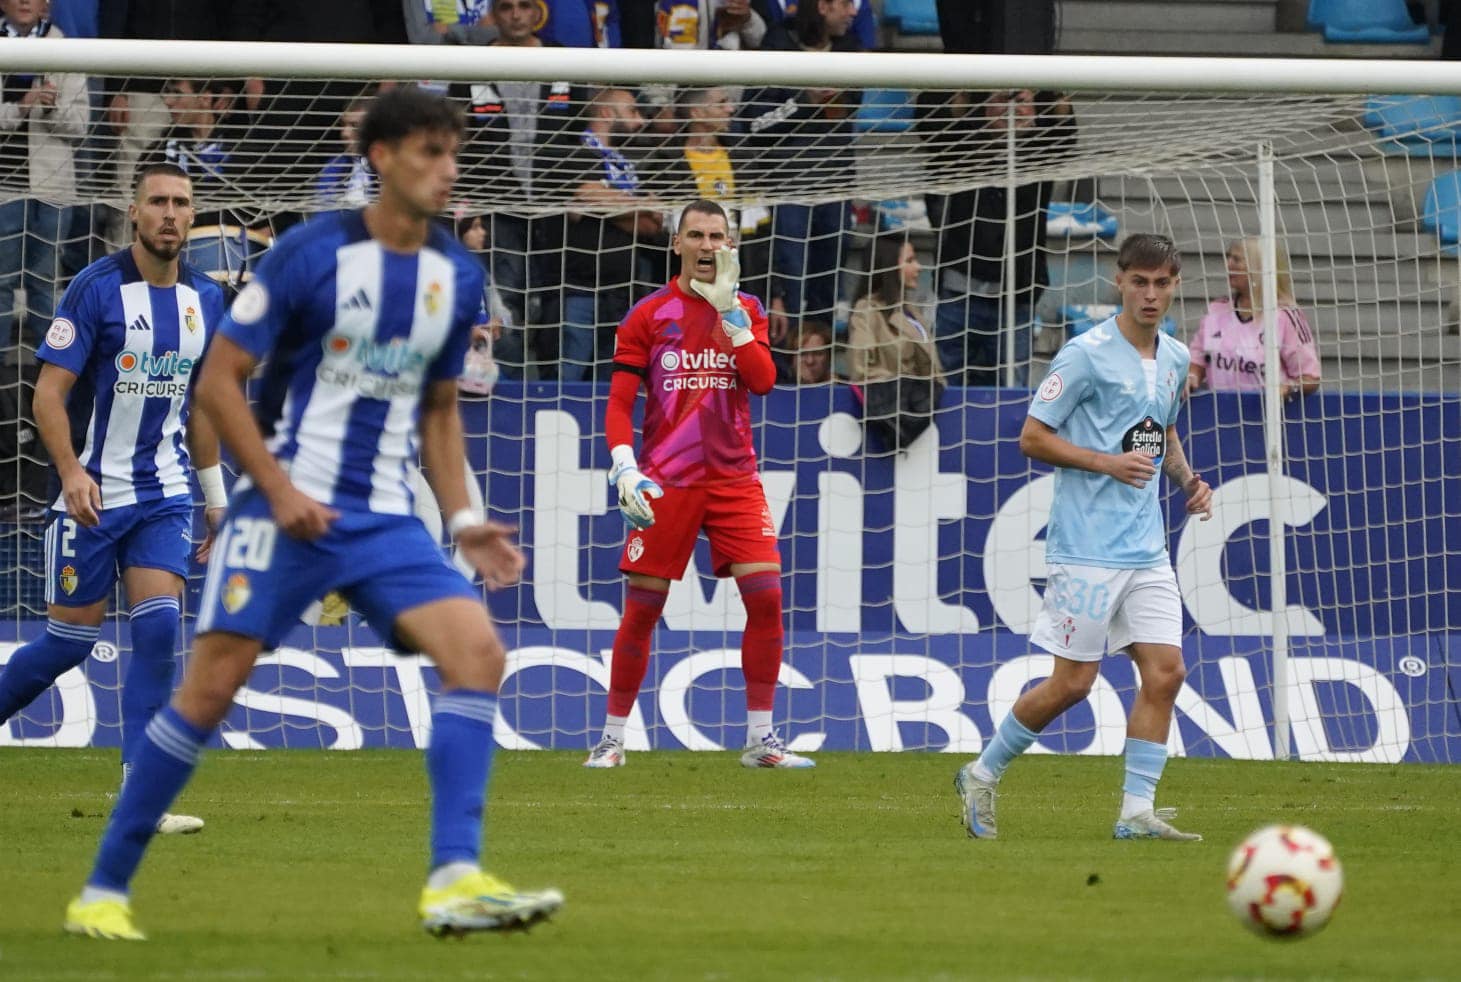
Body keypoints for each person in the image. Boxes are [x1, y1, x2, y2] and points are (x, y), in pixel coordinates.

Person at [61, 86, 563, 942]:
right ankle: (104, 889)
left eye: (452, 155)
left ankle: (452, 878)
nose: (446, 171)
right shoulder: (309, 253)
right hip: (279, 504)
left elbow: (440, 409)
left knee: (477, 652)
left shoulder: (456, 274)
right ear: (381, 158)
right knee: (210, 690)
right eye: (428, 154)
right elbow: (218, 381)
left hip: (381, 518)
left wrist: (465, 517)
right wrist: (277, 489)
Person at [954, 233, 1213, 842]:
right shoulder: (1084, 354)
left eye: (1162, 283)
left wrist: (1187, 481)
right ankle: (981, 773)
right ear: (1118, 281)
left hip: (1145, 546)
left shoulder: (1175, 357)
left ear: (1174, 286)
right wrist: (1105, 463)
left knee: (1166, 672)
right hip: (1087, 547)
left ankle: (1135, 812)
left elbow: (1161, 431)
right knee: (1074, 683)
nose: (1150, 294)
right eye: (1140, 281)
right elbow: (1032, 437)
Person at [0, 163, 227, 836]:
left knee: (159, 630)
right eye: (157, 201)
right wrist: (69, 471)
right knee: (68, 641)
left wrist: (215, 498)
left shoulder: (207, 299)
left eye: (181, 203)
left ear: (192, 216)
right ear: (133, 211)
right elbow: (49, 393)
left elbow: (207, 406)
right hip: (92, 496)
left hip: (165, 494)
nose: (169, 213)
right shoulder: (95, 289)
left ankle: (140, 798)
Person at [584, 198, 813, 770]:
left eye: (718, 235)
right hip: (667, 482)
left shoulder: (749, 308)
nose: (708, 245)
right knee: (641, 609)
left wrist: (733, 317)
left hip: (735, 479)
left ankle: (761, 741)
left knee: (767, 599)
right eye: (697, 235)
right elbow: (618, 403)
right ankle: (612, 740)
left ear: (730, 244)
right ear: (677, 243)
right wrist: (624, 464)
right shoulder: (648, 314)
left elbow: (762, 382)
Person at [917, 88, 1076, 387]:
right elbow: (929, 126)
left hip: (1015, 303)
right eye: (1004, 99)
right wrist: (964, 92)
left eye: (1024, 103)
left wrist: (1057, 93)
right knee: (942, 389)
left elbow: (1065, 136)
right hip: (957, 296)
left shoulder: (1040, 154)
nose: (1014, 110)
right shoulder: (960, 144)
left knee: (1009, 392)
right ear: (986, 107)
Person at [0, 0, 88, 352]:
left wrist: (52, 108)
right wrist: (22, 105)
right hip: (4, 189)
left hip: (51, 189)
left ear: (46, 5)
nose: (25, 1)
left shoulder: (64, 49)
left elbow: (80, 125)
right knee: (1, 283)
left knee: (44, 283)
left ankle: (51, 368)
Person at [1185, 236, 1320, 400]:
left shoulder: (1285, 315)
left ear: (1259, 266)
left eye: (1236, 259)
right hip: (1217, 417)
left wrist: (1288, 388)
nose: (1228, 264)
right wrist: (1191, 377)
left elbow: (1310, 378)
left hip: (1270, 419)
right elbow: (1197, 360)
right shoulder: (1217, 311)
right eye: (1228, 257)